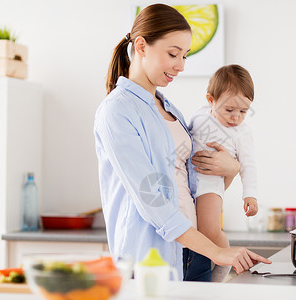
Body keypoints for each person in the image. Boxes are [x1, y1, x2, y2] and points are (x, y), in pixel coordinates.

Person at [93, 4, 271, 282]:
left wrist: (232, 170)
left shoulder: (168, 107)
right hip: (153, 259)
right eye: (173, 54)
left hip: (194, 250)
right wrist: (216, 251)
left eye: (185, 56)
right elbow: (151, 199)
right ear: (141, 46)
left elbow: (193, 186)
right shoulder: (117, 110)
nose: (181, 65)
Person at [189, 65, 258, 282]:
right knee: (192, 232)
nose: (236, 117)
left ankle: (220, 272)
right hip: (186, 181)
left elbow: (248, 164)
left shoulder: (242, 132)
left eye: (243, 111)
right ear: (211, 100)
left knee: (209, 231)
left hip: (209, 185)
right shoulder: (200, 114)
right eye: (229, 110)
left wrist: (250, 194)